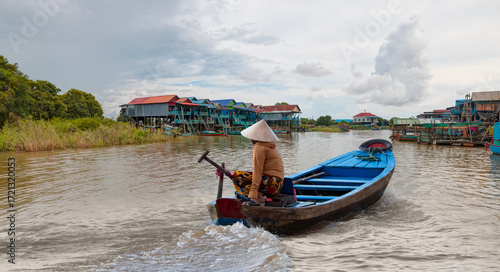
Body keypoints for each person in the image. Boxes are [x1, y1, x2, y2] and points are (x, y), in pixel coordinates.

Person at [231, 120, 285, 204]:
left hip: (272, 184)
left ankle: (256, 198)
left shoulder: (259, 148)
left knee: (237, 175)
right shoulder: (270, 147)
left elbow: (257, 171)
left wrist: (253, 191)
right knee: (248, 179)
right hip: (278, 186)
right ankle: (260, 197)